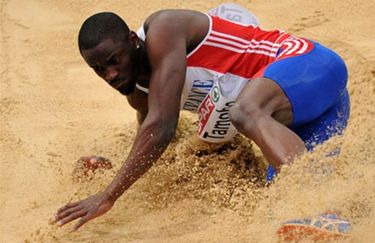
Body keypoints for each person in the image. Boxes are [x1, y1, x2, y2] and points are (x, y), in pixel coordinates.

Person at [54, 4, 350, 232]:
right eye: (99, 70)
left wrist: (107, 194)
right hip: (304, 120)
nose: (110, 75)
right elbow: (152, 146)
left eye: (113, 62)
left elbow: (162, 129)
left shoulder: (163, 29)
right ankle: (344, 214)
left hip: (310, 64)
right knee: (284, 209)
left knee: (244, 111)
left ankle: (324, 208)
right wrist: (107, 172)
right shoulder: (140, 95)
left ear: (133, 41)